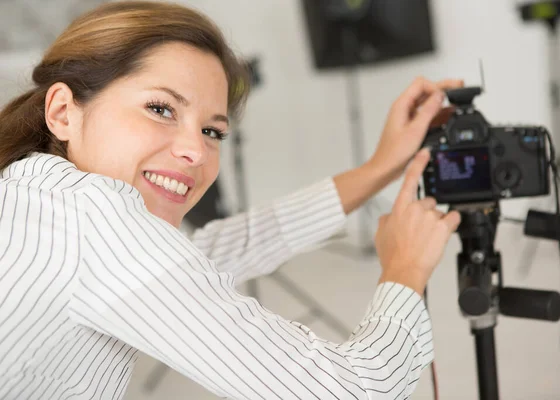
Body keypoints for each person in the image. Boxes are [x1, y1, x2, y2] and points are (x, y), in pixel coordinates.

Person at [0, 1, 463, 399]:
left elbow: (209, 253)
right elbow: (357, 391)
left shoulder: (38, 192)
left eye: (212, 131)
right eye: (160, 109)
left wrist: (380, 166)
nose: (196, 151)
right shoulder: (97, 219)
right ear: (63, 112)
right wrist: (406, 269)